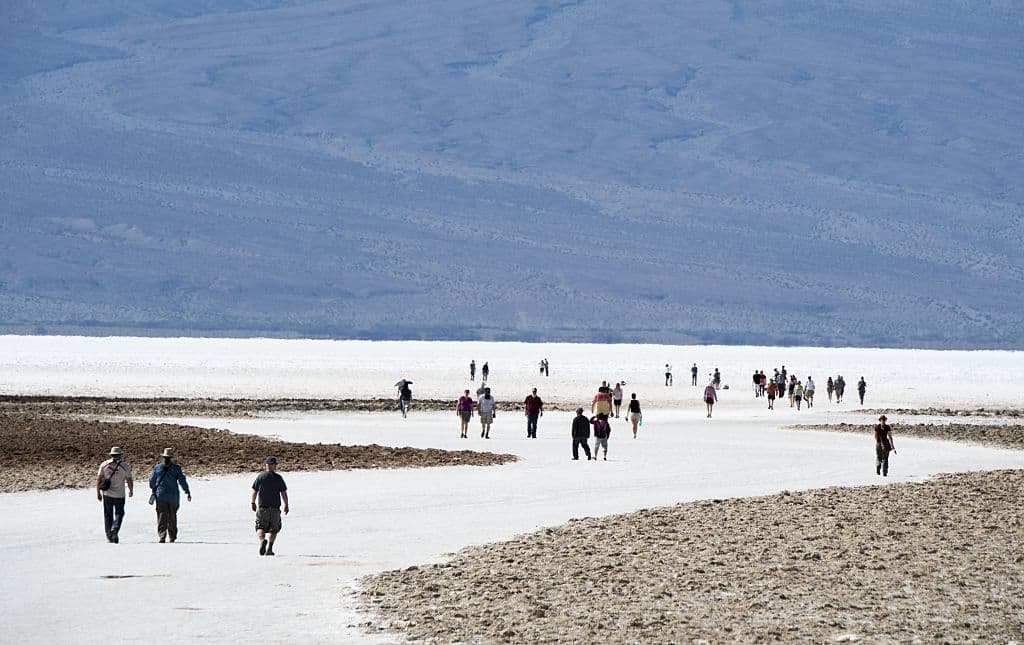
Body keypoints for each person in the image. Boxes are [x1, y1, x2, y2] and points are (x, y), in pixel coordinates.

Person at [149, 448, 191, 543]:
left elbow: (151, 481)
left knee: (161, 516)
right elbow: (182, 481)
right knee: (172, 516)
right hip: (173, 497)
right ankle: (172, 536)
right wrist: (187, 491)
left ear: (163, 457)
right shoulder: (176, 468)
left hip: (161, 496)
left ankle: (162, 536)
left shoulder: (157, 467)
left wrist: (154, 488)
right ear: (171, 457)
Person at [251, 456, 289, 556]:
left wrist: (252, 502)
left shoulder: (260, 476)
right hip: (275, 508)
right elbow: (283, 493)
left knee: (260, 527)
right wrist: (286, 505)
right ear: (274, 466)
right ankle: (270, 549)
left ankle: (262, 540)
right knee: (274, 529)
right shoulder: (278, 478)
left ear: (266, 465)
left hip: (263, 507)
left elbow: (255, 491)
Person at [96, 446, 133, 543]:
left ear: (111, 455)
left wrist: (98, 493)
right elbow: (129, 479)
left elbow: (99, 479)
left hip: (107, 493)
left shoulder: (104, 464)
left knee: (108, 514)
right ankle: (115, 529)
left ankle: (109, 536)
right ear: (120, 455)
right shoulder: (124, 466)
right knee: (119, 513)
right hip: (120, 494)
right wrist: (130, 490)